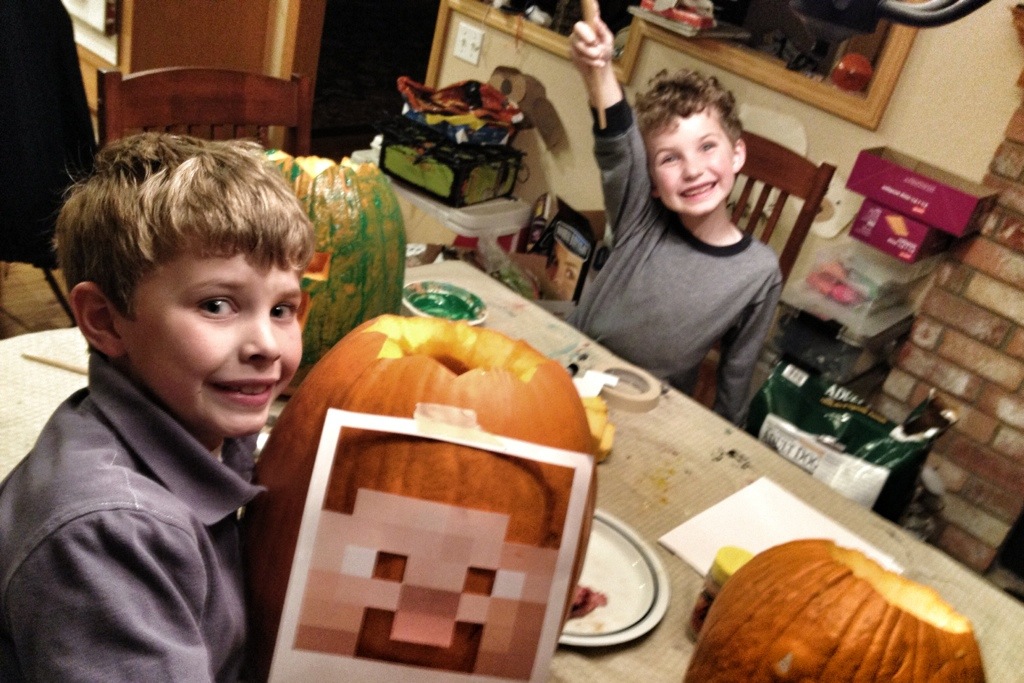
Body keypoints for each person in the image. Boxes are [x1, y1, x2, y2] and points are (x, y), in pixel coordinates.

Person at [0, 133, 315, 681]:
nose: (267, 345)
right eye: (217, 305)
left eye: (283, 309)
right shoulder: (112, 534)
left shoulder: (204, 421)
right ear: (104, 320)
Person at [566, 13, 782, 425]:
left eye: (707, 147)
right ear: (650, 180)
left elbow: (737, 375)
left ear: (737, 154)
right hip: (575, 369)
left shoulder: (759, 272)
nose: (693, 170)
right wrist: (600, 70)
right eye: (669, 158)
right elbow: (617, 144)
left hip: (652, 409)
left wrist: (726, 439)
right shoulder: (639, 218)